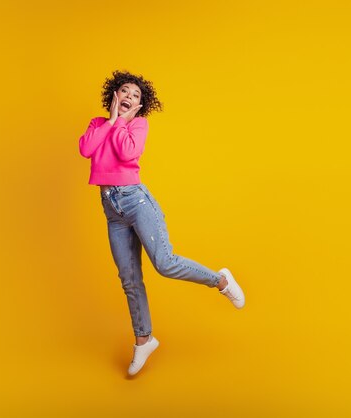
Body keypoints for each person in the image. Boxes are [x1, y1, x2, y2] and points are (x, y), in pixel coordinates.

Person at [78, 70, 245, 376]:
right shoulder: (98, 125)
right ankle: (144, 339)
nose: (129, 97)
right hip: (111, 210)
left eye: (136, 96)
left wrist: (123, 123)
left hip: (135, 200)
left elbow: (129, 153)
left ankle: (220, 280)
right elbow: (86, 149)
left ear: (141, 106)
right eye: (125, 92)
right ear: (114, 94)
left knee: (164, 263)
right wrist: (113, 121)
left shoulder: (139, 125)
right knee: (128, 278)